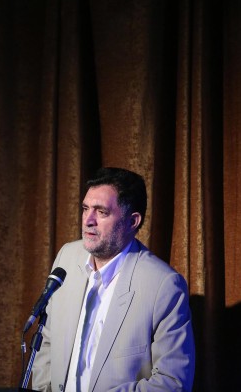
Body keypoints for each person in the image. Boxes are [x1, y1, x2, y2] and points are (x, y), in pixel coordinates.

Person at [31, 167, 195, 392]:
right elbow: (47, 338)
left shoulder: (163, 285)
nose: (88, 220)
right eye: (85, 209)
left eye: (101, 212)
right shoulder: (67, 257)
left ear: (132, 221)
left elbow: (172, 382)